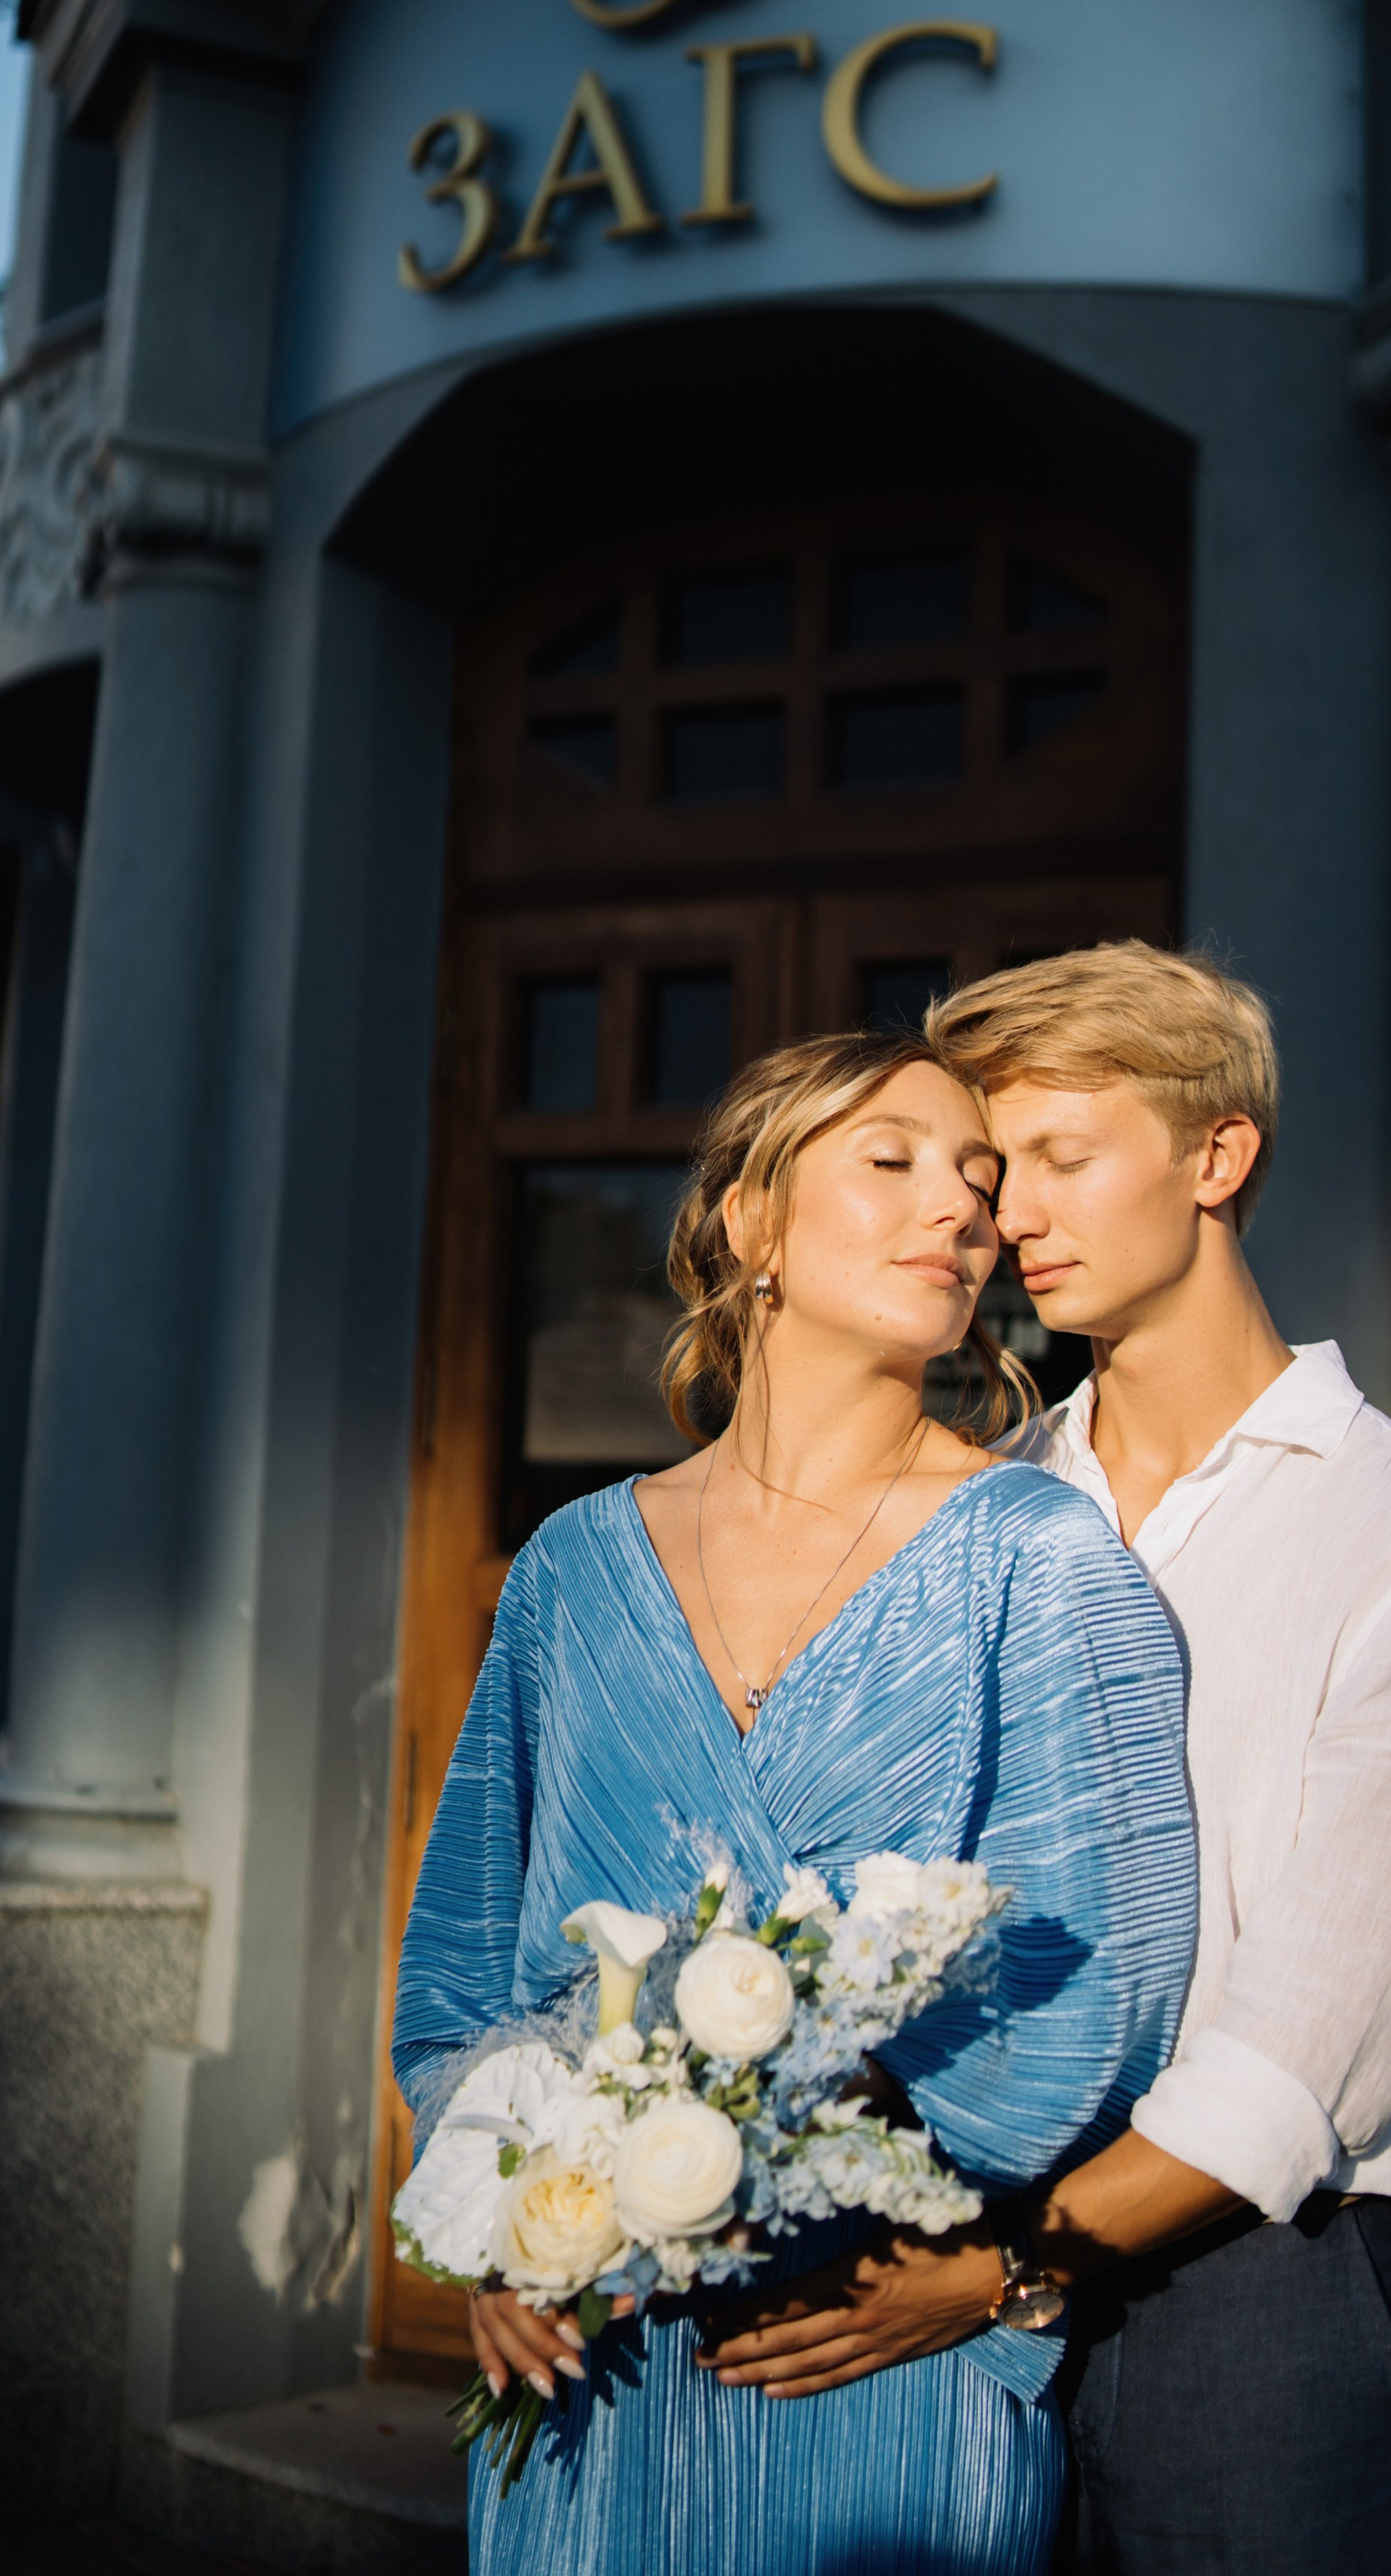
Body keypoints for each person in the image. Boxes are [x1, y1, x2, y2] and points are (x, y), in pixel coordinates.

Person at [704, 944, 1391, 2576]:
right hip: (944, 2249)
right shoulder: (985, 1500)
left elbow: (1313, 2057)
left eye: (1062, 1162)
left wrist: (1010, 2270)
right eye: (1000, 1177)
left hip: (1256, 2292)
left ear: (1215, 1159)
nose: (1005, 1219)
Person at [392, 1028, 1197, 2575]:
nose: (961, 1212)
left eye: (980, 1185)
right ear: (751, 1224)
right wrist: (510, 2224)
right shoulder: (571, 1568)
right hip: (596, 2370)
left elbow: (1105, 1982)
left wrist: (886, 2203)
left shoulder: (1042, 1562)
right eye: (891, 1162)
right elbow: (467, 1963)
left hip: (879, 2341)